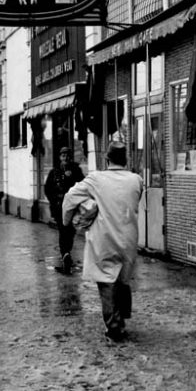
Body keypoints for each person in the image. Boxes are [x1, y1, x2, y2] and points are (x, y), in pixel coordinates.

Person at [62, 142, 143, 342]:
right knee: (123, 280)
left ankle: (114, 325)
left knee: (107, 282)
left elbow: (70, 197)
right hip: (128, 239)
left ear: (107, 160)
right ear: (126, 160)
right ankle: (122, 319)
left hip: (104, 239)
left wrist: (67, 221)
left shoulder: (96, 179)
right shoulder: (137, 180)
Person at [44, 147, 84, 274]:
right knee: (62, 230)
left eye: (67, 155)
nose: (65, 158)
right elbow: (47, 189)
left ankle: (67, 252)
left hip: (73, 207)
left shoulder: (76, 170)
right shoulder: (54, 172)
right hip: (59, 207)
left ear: (70, 157)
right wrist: (53, 202)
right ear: (60, 157)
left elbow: (82, 185)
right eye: (63, 155)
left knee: (71, 231)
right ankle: (65, 253)